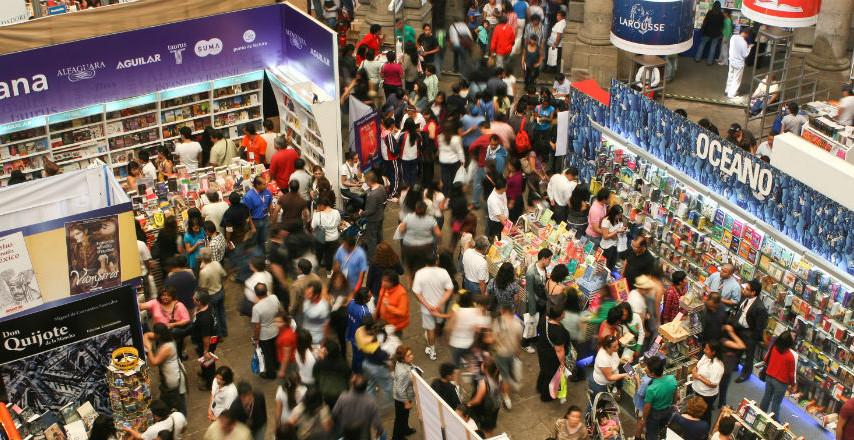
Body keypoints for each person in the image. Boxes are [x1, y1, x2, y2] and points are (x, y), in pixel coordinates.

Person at [413, 255, 454, 361]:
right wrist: (439, 304)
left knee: (430, 330)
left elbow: (416, 292)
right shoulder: (443, 272)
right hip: (440, 308)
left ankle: (432, 351)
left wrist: (428, 305)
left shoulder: (419, 273)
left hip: (427, 310)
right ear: (436, 261)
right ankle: (435, 339)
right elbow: (449, 289)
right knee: (437, 326)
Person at [143, 324, 188, 415]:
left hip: (173, 377)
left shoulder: (167, 347)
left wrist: (149, 349)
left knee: (178, 400)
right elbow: (146, 335)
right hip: (169, 375)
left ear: (159, 335)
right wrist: (147, 341)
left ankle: (181, 417)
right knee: (169, 398)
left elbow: (153, 362)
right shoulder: (166, 337)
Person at [733, 279, 768, 383]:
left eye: (747, 289)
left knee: (749, 356)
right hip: (739, 329)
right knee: (737, 349)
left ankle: (745, 374)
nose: (744, 290)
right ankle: (734, 365)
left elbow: (760, 327)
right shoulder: (745, 297)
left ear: (753, 292)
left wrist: (752, 338)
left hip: (749, 333)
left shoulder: (760, 308)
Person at [759, 331, 796, 421]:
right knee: (776, 403)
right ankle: (774, 422)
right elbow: (791, 373)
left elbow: (766, 359)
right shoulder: (790, 356)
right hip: (781, 383)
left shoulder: (774, 348)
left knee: (766, 397)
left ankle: (760, 415)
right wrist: (793, 384)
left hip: (769, 376)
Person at [447, 293, 490, 367]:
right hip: (472, 345)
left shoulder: (461, 311)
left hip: (463, 345)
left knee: (457, 365)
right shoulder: (480, 315)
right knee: (474, 365)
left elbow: (449, 327)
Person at [536, 304, 569, 402]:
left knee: (544, 371)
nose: (564, 313)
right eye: (563, 312)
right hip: (552, 357)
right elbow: (559, 350)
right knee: (551, 375)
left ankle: (539, 387)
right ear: (559, 316)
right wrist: (562, 363)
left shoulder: (544, 320)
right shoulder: (558, 332)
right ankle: (546, 396)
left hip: (543, 350)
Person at [492, 303, 522, 408]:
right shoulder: (517, 323)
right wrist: (518, 352)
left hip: (501, 353)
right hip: (512, 352)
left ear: (503, 310)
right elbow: (518, 340)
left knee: (505, 377)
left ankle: (506, 399)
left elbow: (494, 338)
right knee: (508, 370)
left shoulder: (498, 321)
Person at [399, 200, 441, 276]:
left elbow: (401, 229)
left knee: (410, 268)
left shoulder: (408, 217)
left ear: (415, 208)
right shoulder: (431, 220)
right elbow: (438, 234)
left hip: (409, 247)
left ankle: (411, 281)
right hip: (425, 247)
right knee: (423, 267)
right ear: (425, 210)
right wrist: (436, 243)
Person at [640, 355, 677, 440]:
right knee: (663, 429)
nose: (645, 369)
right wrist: (673, 404)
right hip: (668, 411)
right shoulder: (672, 379)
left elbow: (647, 407)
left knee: (652, 434)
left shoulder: (651, 389)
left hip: (655, 414)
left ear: (652, 373)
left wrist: (644, 419)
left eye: (647, 368)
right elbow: (675, 396)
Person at [524, 248, 552, 350]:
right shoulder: (531, 272)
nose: (550, 262)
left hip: (541, 301)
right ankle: (525, 344)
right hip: (534, 303)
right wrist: (534, 307)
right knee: (530, 324)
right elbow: (529, 292)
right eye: (549, 259)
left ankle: (533, 340)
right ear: (543, 259)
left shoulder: (543, 268)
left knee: (535, 323)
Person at [466, 357, 502, 436]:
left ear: (485, 369)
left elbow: (477, 400)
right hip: (496, 405)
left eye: (483, 365)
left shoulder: (484, 383)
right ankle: (490, 433)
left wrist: (469, 403)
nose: (481, 365)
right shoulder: (499, 376)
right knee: (490, 426)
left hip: (487, 409)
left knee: (486, 428)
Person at [691, 342, 725, 423]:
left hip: (706, 395)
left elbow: (713, 384)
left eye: (707, 349)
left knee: (704, 414)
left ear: (713, 352)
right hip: (697, 390)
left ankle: (705, 428)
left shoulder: (717, 366)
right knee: (695, 411)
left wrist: (698, 377)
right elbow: (697, 366)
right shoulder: (706, 356)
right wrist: (694, 371)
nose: (704, 350)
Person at [191, 291, 218, 390]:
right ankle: (204, 373)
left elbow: (206, 337)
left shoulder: (204, 319)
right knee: (204, 359)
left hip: (206, 343)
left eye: (194, 298)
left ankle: (210, 383)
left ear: (199, 302)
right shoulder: (207, 306)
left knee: (208, 361)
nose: (192, 298)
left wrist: (206, 350)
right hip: (208, 340)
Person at [122, 400, 187, 440]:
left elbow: (140, 437)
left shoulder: (153, 429)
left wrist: (129, 429)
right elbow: (184, 429)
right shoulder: (178, 415)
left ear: (155, 416)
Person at [311, 195, 341, 274]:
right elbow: (338, 222)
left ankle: (316, 271)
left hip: (321, 239)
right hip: (334, 238)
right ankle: (328, 272)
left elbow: (312, 226)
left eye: (318, 205)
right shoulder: (336, 212)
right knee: (330, 256)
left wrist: (316, 212)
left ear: (321, 205)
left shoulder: (317, 215)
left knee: (318, 255)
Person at [392, 345, 417, 439]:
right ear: (402, 359)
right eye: (408, 355)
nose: (412, 356)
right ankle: (397, 437)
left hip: (406, 395)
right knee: (400, 419)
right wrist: (406, 403)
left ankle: (405, 429)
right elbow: (400, 390)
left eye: (411, 354)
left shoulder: (403, 363)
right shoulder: (403, 373)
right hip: (401, 399)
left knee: (405, 416)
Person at [243, 176, 273, 251]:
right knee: (254, 242)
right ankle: (256, 256)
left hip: (265, 219)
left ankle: (263, 254)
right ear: (257, 185)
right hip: (255, 221)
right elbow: (247, 213)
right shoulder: (248, 196)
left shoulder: (267, 191)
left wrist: (271, 218)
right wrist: (252, 226)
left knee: (264, 239)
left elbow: (270, 204)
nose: (266, 185)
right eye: (264, 184)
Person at [361, 171, 387, 257]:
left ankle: (372, 258)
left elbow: (369, 211)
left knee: (371, 240)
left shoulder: (372, 195)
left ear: (369, 181)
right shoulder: (382, 187)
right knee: (379, 236)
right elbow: (384, 202)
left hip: (373, 220)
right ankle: (382, 253)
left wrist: (361, 213)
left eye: (366, 181)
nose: (365, 183)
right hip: (380, 216)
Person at [376, 270, 410, 334]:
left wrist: (388, 306)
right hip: (384, 322)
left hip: (395, 326)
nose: (383, 283)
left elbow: (402, 312)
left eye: (386, 281)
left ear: (393, 282)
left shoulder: (401, 294)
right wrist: (376, 314)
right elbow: (380, 301)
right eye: (383, 280)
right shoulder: (384, 287)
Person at [725, 27, 752, 98]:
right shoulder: (744, 43)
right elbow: (745, 55)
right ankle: (731, 94)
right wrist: (749, 47)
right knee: (736, 79)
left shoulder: (733, 37)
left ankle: (727, 90)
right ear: (746, 34)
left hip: (731, 60)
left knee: (730, 75)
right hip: (739, 63)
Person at [301, 279, 330, 344]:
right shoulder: (306, 301)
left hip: (316, 339)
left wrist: (324, 342)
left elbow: (326, 326)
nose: (306, 293)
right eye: (306, 290)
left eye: (309, 293)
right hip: (305, 337)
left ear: (315, 296)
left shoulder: (323, 307)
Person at [598, 204, 626, 271]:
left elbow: (618, 234)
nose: (619, 217)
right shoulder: (606, 221)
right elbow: (605, 236)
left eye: (621, 215)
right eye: (618, 215)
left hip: (615, 246)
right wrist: (616, 231)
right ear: (613, 213)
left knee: (611, 266)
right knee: (603, 266)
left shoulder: (619, 220)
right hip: (606, 247)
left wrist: (622, 231)